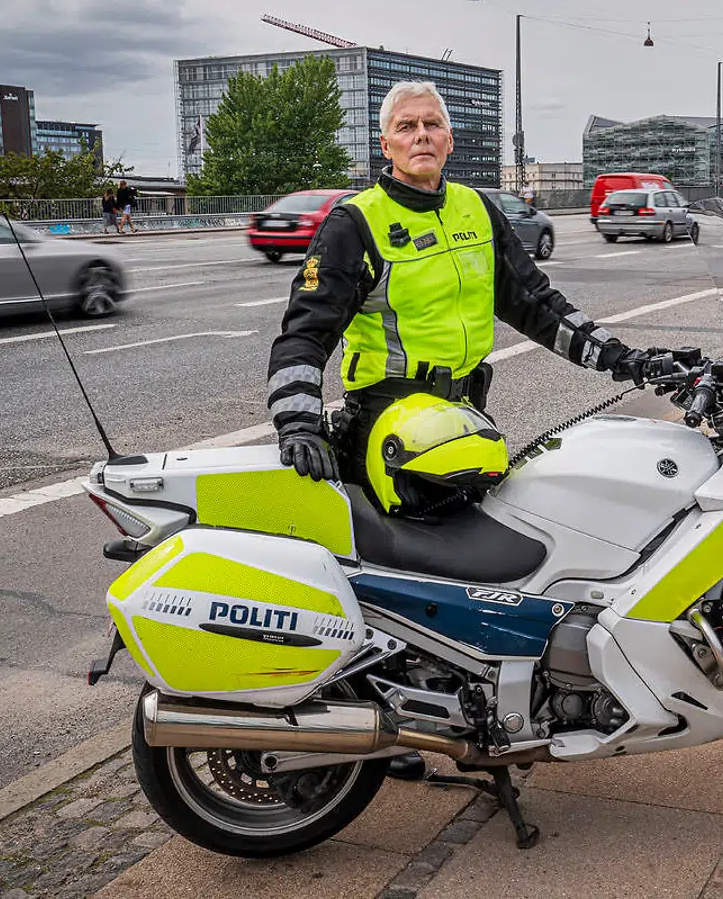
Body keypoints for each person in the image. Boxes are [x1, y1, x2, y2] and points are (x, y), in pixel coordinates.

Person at [265, 81, 653, 780]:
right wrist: (295, 418)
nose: (421, 135)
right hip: (388, 424)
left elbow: (538, 306)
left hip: (461, 425)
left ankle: (461, 713)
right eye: (406, 126)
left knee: (472, 584)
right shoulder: (358, 222)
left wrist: (625, 360)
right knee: (398, 590)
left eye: (432, 124)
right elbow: (303, 335)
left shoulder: (477, 209)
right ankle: (382, 731)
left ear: (448, 139)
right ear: (385, 144)